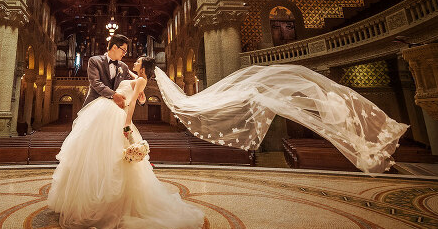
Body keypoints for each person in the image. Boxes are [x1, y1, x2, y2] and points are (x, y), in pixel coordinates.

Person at [47, 54, 204, 229]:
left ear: (144, 67)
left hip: (118, 115)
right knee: (100, 153)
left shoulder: (141, 81)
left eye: (137, 62)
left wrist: (127, 124)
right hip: (107, 111)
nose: (134, 63)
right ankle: (96, 200)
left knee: (115, 157)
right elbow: (129, 75)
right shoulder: (137, 78)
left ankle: (112, 207)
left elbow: (132, 106)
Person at [153, 64, 409, 175]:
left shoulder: (254, 89)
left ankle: (365, 137)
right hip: (242, 97)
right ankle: (360, 139)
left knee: (290, 99)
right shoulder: (257, 90)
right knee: (291, 102)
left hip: (241, 97)